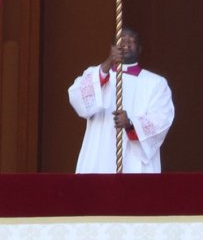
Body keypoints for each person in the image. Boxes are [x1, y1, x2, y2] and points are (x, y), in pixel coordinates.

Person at [68, 27, 174, 173]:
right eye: (122, 39)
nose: (126, 44)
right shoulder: (95, 75)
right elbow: (77, 98)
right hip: (99, 159)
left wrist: (131, 124)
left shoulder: (156, 83)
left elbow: (162, 119)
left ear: (140, 49)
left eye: (132, 41)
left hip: (136, 164)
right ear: (112, 48)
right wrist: (108, 63)